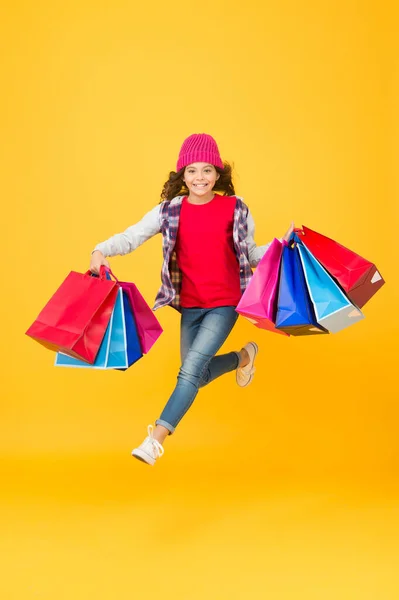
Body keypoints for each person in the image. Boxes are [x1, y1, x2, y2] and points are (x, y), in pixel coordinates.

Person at [90, 133, 294, 465]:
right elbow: (131, 237)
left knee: (187, 374)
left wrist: (279, 246)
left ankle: (155, 439)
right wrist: (100, 250)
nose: (200, 178)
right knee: (195, 375)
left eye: (207, 171)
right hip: (191, 306)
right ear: (182, 175)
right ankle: (243, 357)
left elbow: (251, 254)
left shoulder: (235, 208)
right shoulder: (169, 211)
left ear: (218, 174)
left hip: (226, 303)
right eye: (192, 171)